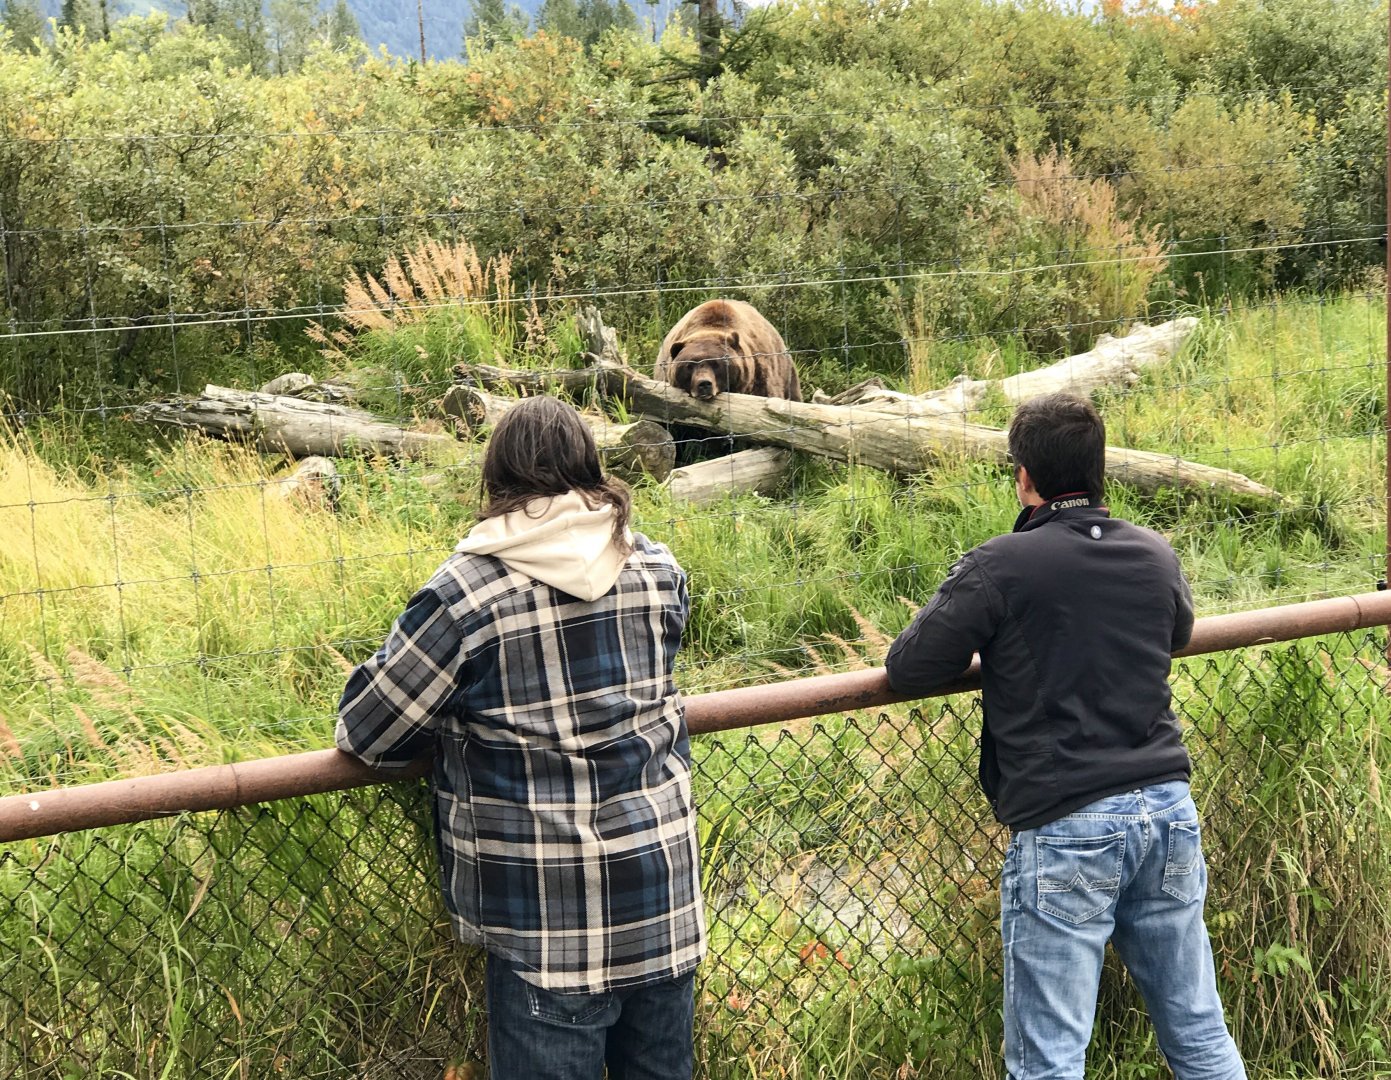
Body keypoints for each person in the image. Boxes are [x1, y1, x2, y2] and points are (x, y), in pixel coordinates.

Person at [336, 395, 705, 1080]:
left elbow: (368, 731)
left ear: (496, 479)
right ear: (590, 469)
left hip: (544, 921)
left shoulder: (466, 595)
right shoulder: (656, 571)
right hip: (662, 899)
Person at [884, 392, 1245, 1080]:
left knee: (1049, 1057)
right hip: (1166, 809)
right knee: (1197, 1030)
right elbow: (1175, 634)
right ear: (1098, 469)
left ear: (1023, 476)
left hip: (1066, 824)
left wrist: (1004, 646)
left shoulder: (1002, 565)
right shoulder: (1152, 553)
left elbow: (908, 666)